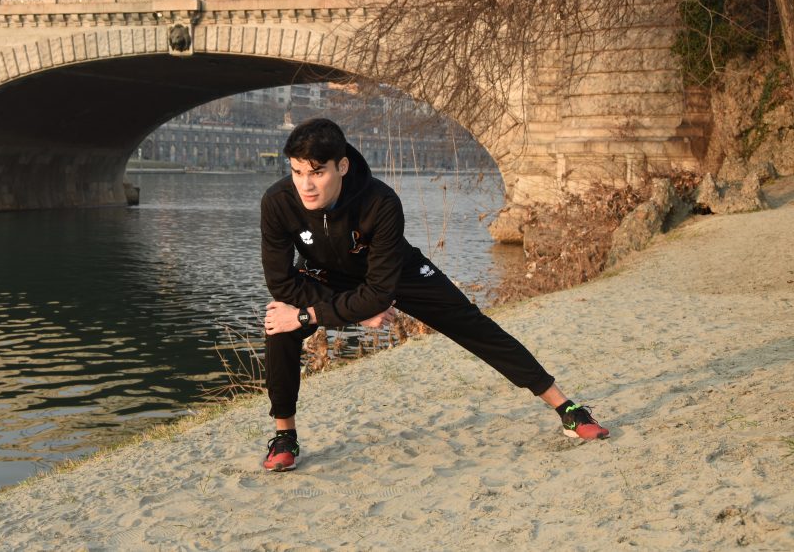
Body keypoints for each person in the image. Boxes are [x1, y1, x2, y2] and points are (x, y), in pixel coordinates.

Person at [259, 118, 609, 472]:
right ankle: (285, 436)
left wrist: (315, 313)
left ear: (343, 166)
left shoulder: (380, 202)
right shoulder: (277, 202)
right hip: (323, 277)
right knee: (278, 322)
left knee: (472, 325)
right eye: (297, 172)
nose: (306, 185)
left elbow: (379, 292)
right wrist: (346, 311)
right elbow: (282, 283)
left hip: (396, 271)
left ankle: (567, 408)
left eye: (317, 173)